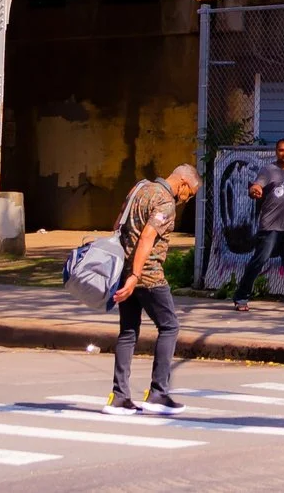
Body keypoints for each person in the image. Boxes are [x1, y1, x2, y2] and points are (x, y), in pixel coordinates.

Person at [107, 161, 199, 414]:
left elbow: (118, 224)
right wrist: (136, 275)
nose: (186, 200)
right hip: (147, 275)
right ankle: (158, 393)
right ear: (182, 183)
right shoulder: (165, 202)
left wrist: (127, 271)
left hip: (124, 269)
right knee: (169, 326)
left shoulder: (139, 188)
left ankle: (119, 397)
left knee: (128, 331)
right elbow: (148, 236)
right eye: (189, 194)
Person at [234, 138, 284, 312]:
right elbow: (256, 186)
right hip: (270, 226)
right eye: (281, 150)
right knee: (260, 260)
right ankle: (241, 298)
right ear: (276, 152)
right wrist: (254, 191)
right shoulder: (269, 170)